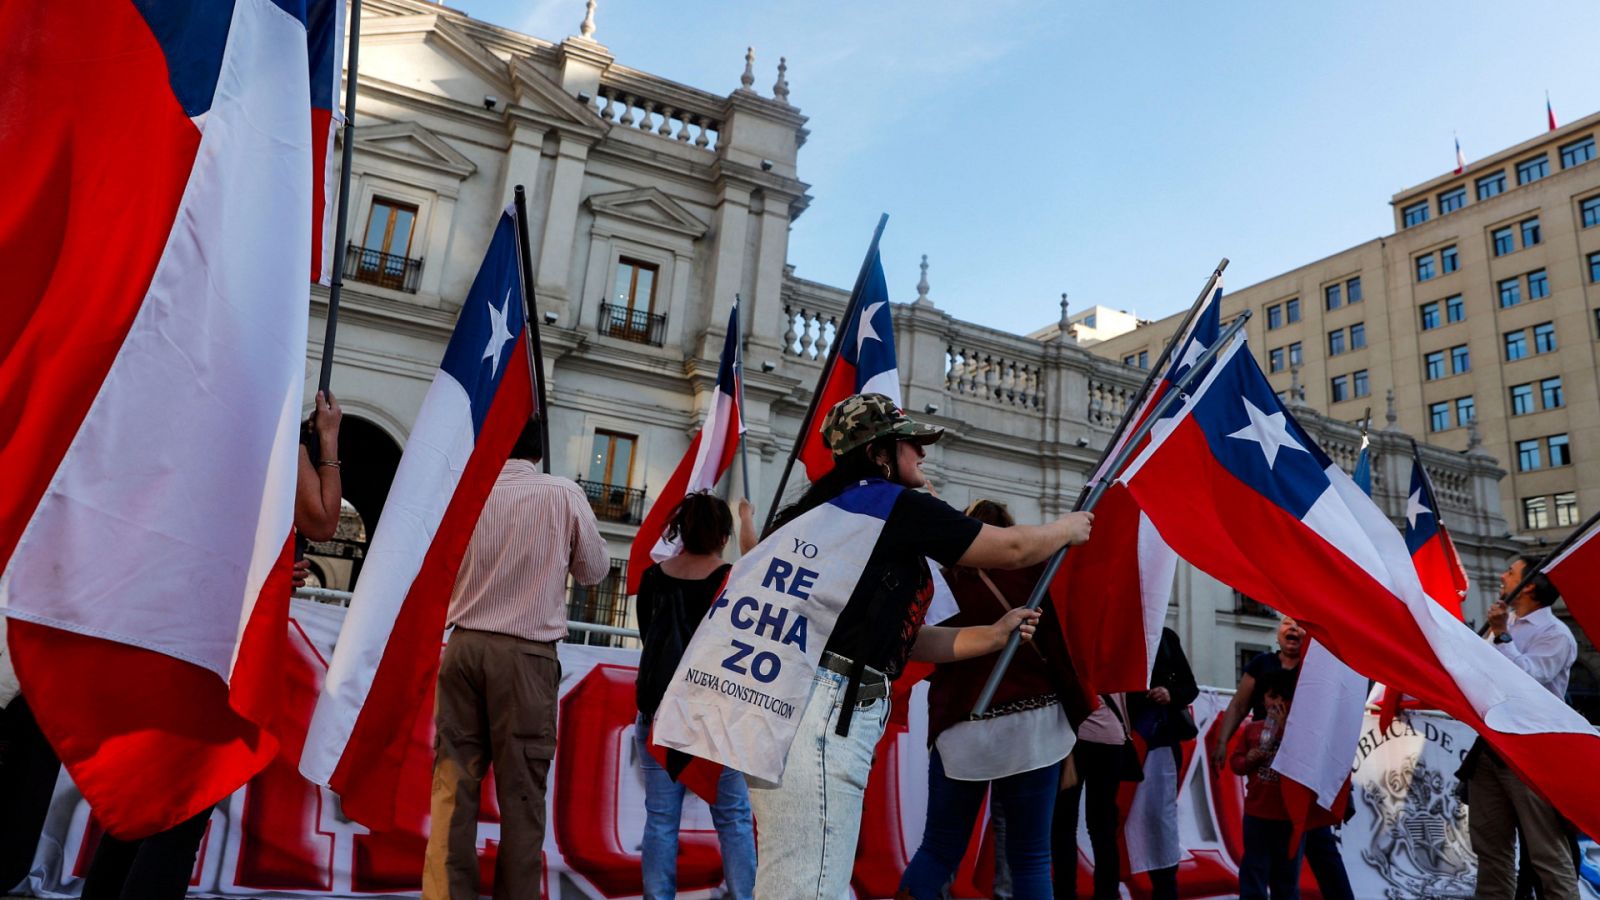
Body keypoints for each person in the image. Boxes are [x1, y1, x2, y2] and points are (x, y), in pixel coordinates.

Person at [750, 393, 1094, 900]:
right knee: (813, 878)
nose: (924, 455)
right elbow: (1013, 548)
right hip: (830, 708)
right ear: (879, 453)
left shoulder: (811, 514)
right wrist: (1067, 527)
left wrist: (994, 636)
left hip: (790, 703)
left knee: (798, 867)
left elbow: (906, 640)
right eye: (912, 443)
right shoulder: (895, 506)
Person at [80, 390, 343, 900]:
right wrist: (327, 439)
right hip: (223, 636)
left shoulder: (195, 426)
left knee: (145, 788)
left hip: (165, 619)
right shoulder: (277, 435)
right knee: (187, 796)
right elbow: (322, 520)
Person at [423, 418, 608, 900]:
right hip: (525, 657)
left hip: (462, 646)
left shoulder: (465, 491)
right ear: (540, 453)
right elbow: (594, 571)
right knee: (523, 796)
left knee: (452, 785)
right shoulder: (562, 494)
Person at [898, 499, 1091, 900]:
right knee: (1032, 858)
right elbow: (1061, 650)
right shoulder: (1037, 574)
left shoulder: (941, 581)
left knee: (938, 849)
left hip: (962, 725)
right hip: (1035, 726)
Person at [633, 491, 759, 900]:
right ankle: (745, 895)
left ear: (681, 531)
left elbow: (647, 637)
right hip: (714, 715)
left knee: (661, 819)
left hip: (660, 713)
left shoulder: (653, 578)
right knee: (734, 818)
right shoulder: (731, 578)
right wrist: (747, 520)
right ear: (722, 535)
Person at [1211, 616, 1353, 900]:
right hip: (1267, 771)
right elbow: (1239, 704)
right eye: (1288, 623)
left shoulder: (1316, 669)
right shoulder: (1261, 665)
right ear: (1278, 633)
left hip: (1304, 767)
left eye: (1301, 625)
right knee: (1266, 855)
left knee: (1318, 843)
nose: (1294, 629)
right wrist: (1223, 741)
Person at [1465, 556, 1580, 900]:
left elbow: (1526, 678)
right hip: (1490, 748)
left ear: (1529, 584)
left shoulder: (1555, 634)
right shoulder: (1507, 622)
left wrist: (1501, 635)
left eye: (1511, 572)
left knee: (1546, 853)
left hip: (1532, 754)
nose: (1502, 576)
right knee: (1491, 850)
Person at [1124, 627, 1199, 900]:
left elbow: (1190, 687)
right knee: (1112, 819)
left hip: (1158, 743)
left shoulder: (1166, 637)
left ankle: (1165, 890)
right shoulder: (1112, 630)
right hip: (1117, 741)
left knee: (1160, 821)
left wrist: (1169, 693)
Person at [1053, 692, 1137, 900]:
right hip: (1112, 736)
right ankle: (1107, 893)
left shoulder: (1075, 657)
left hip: (1074, 739)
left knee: (1063, 825)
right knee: (1103, 826)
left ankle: (1065, 894)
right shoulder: (1124, 659)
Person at [1229, 669, 1303, 900]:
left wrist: (1284, 730)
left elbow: (1303, 763)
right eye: (1272, 696)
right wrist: (1248, 759)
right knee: (1254, 871)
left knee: (1286, 877)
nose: (1277, 704)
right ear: (1263, 698)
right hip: (1257, 813)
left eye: (1284, 698)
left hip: (1288, 817)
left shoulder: (1301, 732)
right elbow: (1236, 764)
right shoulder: (1253, 729)